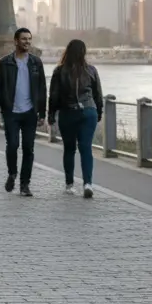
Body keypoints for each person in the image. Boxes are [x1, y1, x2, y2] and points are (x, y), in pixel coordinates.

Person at [0, 28, 48, 197]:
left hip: (30, 112)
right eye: (23, 39)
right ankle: (12, 173)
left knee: (29, 148)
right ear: (16, 41)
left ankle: (25, 184)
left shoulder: (36, 63)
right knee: (13, 145)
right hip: (11, 112)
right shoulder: (4, 63)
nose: (27, 42)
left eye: (29, 39)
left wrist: (42, 113)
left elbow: (42, 89)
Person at [47, 38, 105, 198]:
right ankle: (88, 183)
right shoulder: (91, 70)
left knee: (69, 149)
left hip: (68, 112)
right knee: (86, 148)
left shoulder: (59, 71)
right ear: (83, 52)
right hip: (88, 112)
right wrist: (99, 112)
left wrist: (51, 114)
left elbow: (53, 95)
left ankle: (70, 185)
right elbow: (98, 94)